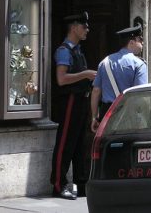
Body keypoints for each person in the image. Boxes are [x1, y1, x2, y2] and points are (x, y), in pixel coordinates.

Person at [50, 11, 97, 200]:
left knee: (79, 144)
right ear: (74, 27)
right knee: (65, 144)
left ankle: (81, 183)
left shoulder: (77, 50)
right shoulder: (64, 50)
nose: (87, 29)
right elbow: (61, 79)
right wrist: (85, 74)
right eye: (84, 26)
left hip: (81, 100)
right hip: (70, 100)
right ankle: (58, 184)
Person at [90, 24, 148, 132]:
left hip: (107, 114)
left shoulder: (104, 62)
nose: (142, 42)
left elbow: (96, 91)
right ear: (131, 42)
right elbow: (141, 95)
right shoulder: (139, 64)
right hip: (130, 115)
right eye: (140, 39)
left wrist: (94, 117)